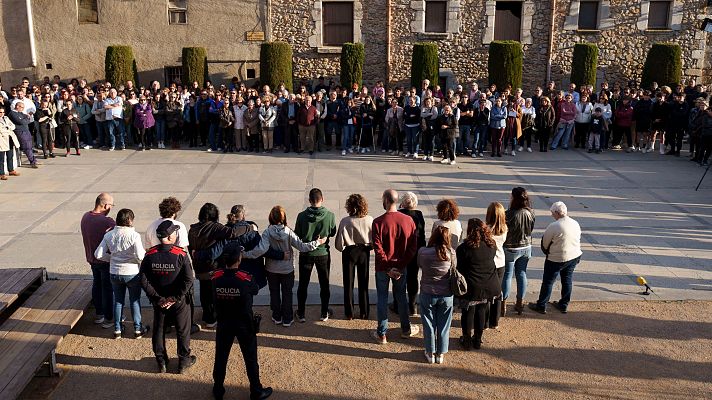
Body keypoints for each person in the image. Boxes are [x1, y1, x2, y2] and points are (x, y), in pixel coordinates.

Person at [211, 247, 273, 400]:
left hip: (224, 322)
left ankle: (218, 389)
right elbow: (255, 290)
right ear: (239, 260)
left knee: (221, 357)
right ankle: (256, 390)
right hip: (243, 323)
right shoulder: (244, 278)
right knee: (250, 358)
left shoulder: (216, 277)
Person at [140, 221, 196, 373]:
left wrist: (157, 298)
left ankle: (161, 360)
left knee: (159, 329)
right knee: (182, 329)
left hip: (160, 300)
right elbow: (189, 279)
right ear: (171, 236)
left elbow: (143, 279)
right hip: (177, 301)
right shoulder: (180, 254)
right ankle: (183, 361)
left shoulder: (150, 255)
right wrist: (175, 297)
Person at [188, 203, 251, 329]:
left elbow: (191, 248)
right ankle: (213, 317)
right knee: (213, 293)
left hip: (199, 268)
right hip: (213, 267)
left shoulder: (193, 229)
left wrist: (196, 256)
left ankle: (207, 316)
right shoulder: (215, 227)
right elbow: (233, 233)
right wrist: (248, 228)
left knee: (204, 292)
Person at [372, 189, 419, 344]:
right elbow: (413, 247)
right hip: (401, 267)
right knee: (401, 297)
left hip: (382, 268)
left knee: (382, 298)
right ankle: (405, 329)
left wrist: (387, 267)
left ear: (386, 200)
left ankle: (382, 333)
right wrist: (400, 266)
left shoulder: (378, 222)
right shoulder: (408, 221)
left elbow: (378, 248)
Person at [94, 208, 149, 339]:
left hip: (114, 272)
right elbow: (141, 256)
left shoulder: (109, 235)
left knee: (118, 301)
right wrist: (134, 260)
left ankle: (118, 329)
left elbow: (98, 254)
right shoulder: (134, 235)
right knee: (134, 300)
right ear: (129, 220)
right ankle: (137, 328)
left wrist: (112, 259)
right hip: (131, 273)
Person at [529, 202, 582, 314]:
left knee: (548, 281)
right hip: (573, 256)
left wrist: (547, 252)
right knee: (567, 280)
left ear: (557, 213)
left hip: (556, 258)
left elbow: (545, 243)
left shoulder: (554, 226)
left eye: (553, 213)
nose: (552, 215)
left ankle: (542, 305)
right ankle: (564, 304)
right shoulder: (575, 223)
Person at [456, 218, 501, 350]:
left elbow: (460, 268)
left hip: (472, 286)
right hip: (489, 284)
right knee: (482, 311)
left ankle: (467, 339)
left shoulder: (464, 248)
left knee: (468, 312)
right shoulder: (491, 244)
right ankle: (478, 339)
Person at [294, 188, 337, 322]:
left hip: (306, 253)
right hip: (323, 253)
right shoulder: (330, 215)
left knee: (303, 284)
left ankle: (301, 313)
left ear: (309, 201)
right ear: (322, 199)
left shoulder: (301, 216)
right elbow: (332, 232)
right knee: (324, 284)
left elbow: (298, 234)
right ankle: (324, 312)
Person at [418, 225, 455, 364]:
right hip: (446, 293)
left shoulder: (423, 252)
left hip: (427, 292)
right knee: (444, 324)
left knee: (429, 323)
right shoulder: (451, 253)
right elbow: (454, 268)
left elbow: (420, 265)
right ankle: (441, 353)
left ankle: (430, 351)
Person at [335, 194, 373, 320]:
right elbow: (374, 239)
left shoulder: (345, 221)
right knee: (363, 283)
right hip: (363, 251)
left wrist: (342, 248)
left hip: (349, 252)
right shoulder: (369, 219)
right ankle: (364, 312)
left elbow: (339, 244)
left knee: (348, 283)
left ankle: (349, 312)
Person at [80, 193, 116, 327]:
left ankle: (99, 313)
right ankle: (109, 317)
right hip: (105, 260)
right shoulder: (107, 221)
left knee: (97, 285)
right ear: (106, 206)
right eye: (111, 205)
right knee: (108, 288)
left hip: (91, 258)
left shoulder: (85, 216)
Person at [501, 187, 535, 316]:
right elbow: (531, 228)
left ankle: (503, 304)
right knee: (521, 274)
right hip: (526, 247)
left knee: (507, 275)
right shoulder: (530, 212)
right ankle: (520, 303)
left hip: (511, 247)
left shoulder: (508, 214)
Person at [395, 192, 426, 316]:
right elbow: (422, 235)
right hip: (416, 250)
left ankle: (398, 305)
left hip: (401, 251)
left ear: (403, 203)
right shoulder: (419, 215)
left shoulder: (399, 214)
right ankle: (413, 306)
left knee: (399, 278)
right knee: (413, 278)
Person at [485, 202, 507, 330]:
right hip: (501, 262)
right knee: (498, 292)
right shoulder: (504, 228)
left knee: (487, 293)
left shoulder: (487, 230)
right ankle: (495, 320)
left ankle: (486, 321)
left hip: (490, 262)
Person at [8, 101, 38, 168]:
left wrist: (26, 119)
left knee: (30, 147)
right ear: (17, 106)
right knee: (26, 147)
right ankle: (32, 162)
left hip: (26, 131)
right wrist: (27, 119)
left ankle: (34, 160)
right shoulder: (12, 113)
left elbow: (28, 118)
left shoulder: (20, 113)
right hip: (20, 131)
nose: (23, 109)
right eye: (22, 107)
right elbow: (21, 122)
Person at [0, 108, 19, 179]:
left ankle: (11, 170)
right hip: (2, 140)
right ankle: (1, 174)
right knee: (1, 158)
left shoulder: (6, 118)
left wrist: (7, 128)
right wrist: (8, 128)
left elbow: (13, 126)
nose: (2, 114)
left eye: (3, 112)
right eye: (0, 112)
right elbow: (1, 129)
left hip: (10, 139)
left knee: (10, 156)